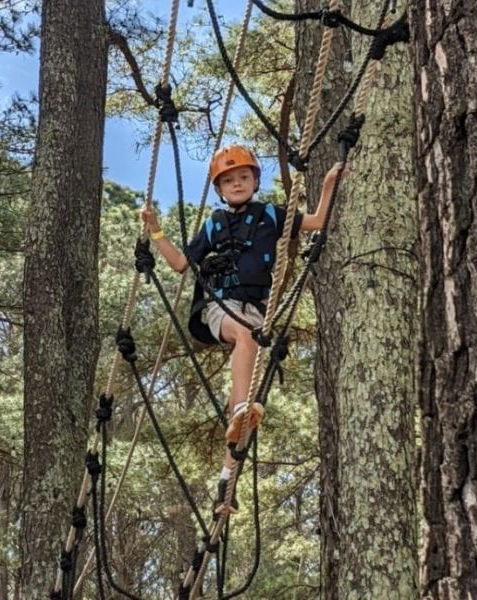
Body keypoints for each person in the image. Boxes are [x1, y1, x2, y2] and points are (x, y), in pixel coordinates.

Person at [141, 144, 347, 511]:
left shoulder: (271, 215)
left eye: (244, 177)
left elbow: (315, 221)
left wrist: (329, 183)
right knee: (244, 346)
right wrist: (156, 232)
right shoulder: (213, 225)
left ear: (254, 181)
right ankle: (240, 411)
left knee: (246, 399)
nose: (237, 184)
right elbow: (179, 264)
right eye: (229, 180)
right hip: (219, 307)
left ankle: (226, 484)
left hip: (256, 312)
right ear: (219, 189)